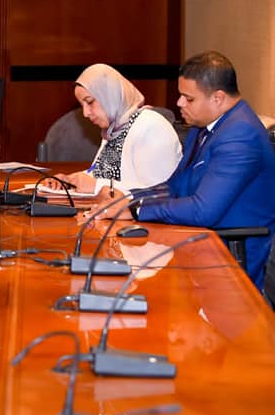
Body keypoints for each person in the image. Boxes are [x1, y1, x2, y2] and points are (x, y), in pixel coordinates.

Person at [107, 52, 275, 291]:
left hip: (230, 256)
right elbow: (175, 185)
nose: (179, 103)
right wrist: (127, 200)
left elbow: (203, 211)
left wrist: (137, 210)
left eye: (188, 98)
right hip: (199, 240)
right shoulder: (203, 126)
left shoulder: (240, 136)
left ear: (217, 98)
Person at [44, 64, 182, 194]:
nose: (85, 113)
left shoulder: (150, 126)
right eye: (82, 105)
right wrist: (70, 180)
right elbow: (98, 173)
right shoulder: (114, 130)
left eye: (90, 102)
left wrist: (96, 186)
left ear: (110, 95)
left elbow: (158, 192)